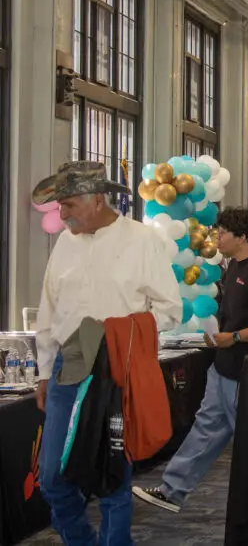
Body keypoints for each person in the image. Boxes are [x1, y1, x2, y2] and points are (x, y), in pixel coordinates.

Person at [32, 162, 181, 543]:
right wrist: (45, 372)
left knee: (115, 475)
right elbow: (50, 310)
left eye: (68, 205)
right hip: (70, 364)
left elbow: (170, 309)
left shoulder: (142, 240)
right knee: (51, 477)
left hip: (119, 366)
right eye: (60, 207)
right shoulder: (64, 241)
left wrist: (119, 331)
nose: (62, 214)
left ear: (98, 199)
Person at [134, 207, 248, 515]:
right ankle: (172, 490)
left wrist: (237, 337)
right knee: (205, 428)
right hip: (224, 365)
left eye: (224, 232)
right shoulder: (234, 267)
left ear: (243, 236)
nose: (217, 236)